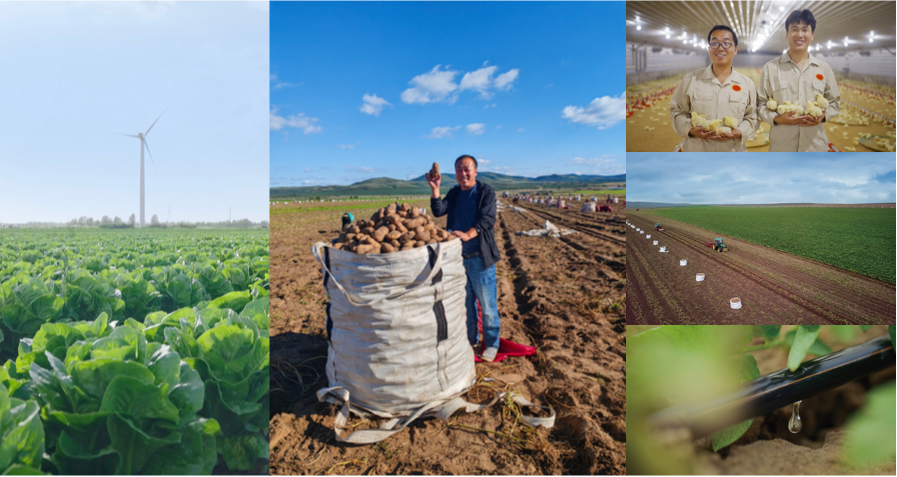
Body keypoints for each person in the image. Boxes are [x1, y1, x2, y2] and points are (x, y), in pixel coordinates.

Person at [427, 155, 502, 362]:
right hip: (458, 259)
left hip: (480, 258)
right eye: (459, 170)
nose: (463, 173)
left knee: (487, 306)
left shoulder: (485, 192)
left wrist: (469, 234)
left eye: (467, 169)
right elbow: (438, 210)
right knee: (466, 304)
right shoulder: (454, 193)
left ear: (475, 171)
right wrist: (435, 189)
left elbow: (487, 219)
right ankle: (471, 340)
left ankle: (492, 344)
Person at [758, 9, 840, 152]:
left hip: (814, 147)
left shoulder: (824, 68)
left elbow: (834, 102)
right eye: (794, 29)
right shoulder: (770, 68)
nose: (799, 34)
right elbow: (760, 104)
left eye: (804, 30)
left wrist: (823, 116)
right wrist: (777, 118)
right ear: (787, 34)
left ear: (812, 34)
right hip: (782, 147)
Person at [670, 25, 759, 152]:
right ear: (709, 48)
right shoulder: (691, 80)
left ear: (735, 50)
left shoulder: (747, 84)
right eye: (715, 43)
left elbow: (752, 117)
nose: (720, 48)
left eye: (727, 43)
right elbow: (676, 112)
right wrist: (690, 129)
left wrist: (740, 132)